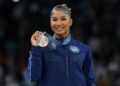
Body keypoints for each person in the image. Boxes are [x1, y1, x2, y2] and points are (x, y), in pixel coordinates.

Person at [26, 4, 96, 86]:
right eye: (54, 20)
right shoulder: (41, 49)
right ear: (50, 22)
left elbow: (90, 81)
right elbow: (33, 77)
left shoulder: (84, 50)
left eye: (63, 19)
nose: (58, 23)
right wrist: (35, 48)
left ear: (70, 21)